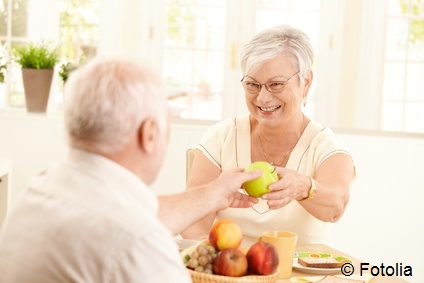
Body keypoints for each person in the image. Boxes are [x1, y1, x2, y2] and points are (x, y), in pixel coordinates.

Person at [0, 57, 261, 283]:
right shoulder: (137, 242)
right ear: (149, 134)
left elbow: (131, 214)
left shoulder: (40, 189)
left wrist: (213, 194)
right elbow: (130, 228)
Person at [181, 25, 355, 246]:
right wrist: (214, 256)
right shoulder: (221, 137)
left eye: (276, 84)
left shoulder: (325, 146)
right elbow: (193, 219)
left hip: (302, 275)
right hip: (233, 270)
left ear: (306, 82)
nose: (263, 98)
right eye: (252, 84)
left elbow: (335, 208)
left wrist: (304, 187)